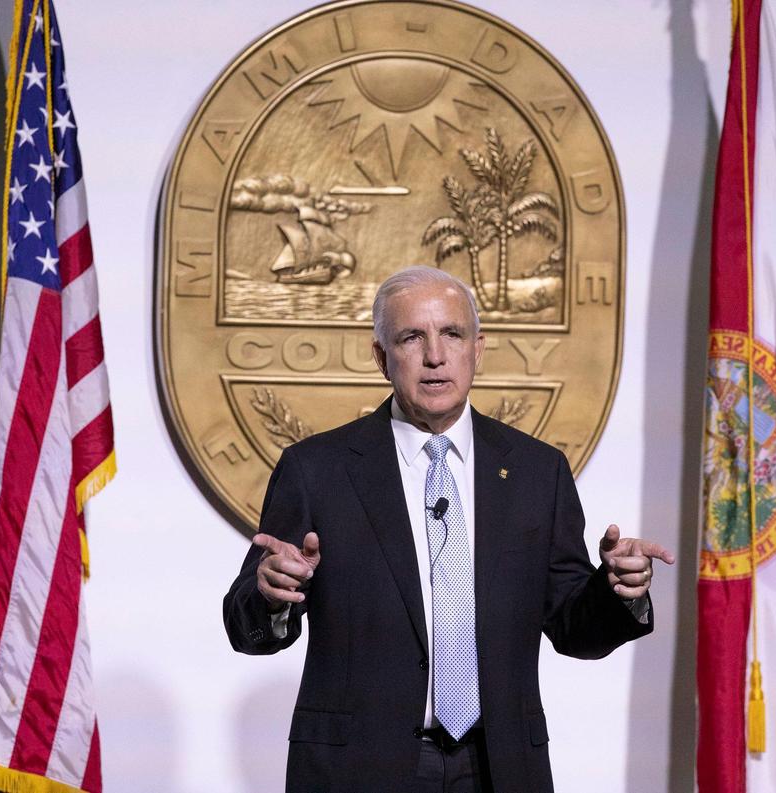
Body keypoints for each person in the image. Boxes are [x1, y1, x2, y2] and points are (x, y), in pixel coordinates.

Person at [223, 266, 673, 793]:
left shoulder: (536, 471)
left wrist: (619, 590)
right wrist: (272, 596)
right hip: (358, 771)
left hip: (499, 768)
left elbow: (575, 629)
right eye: (412, 337)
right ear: (380, 357)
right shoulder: (317, 469)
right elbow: (244, 626)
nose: (434, 355)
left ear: (478, 349)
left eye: (451, 334)